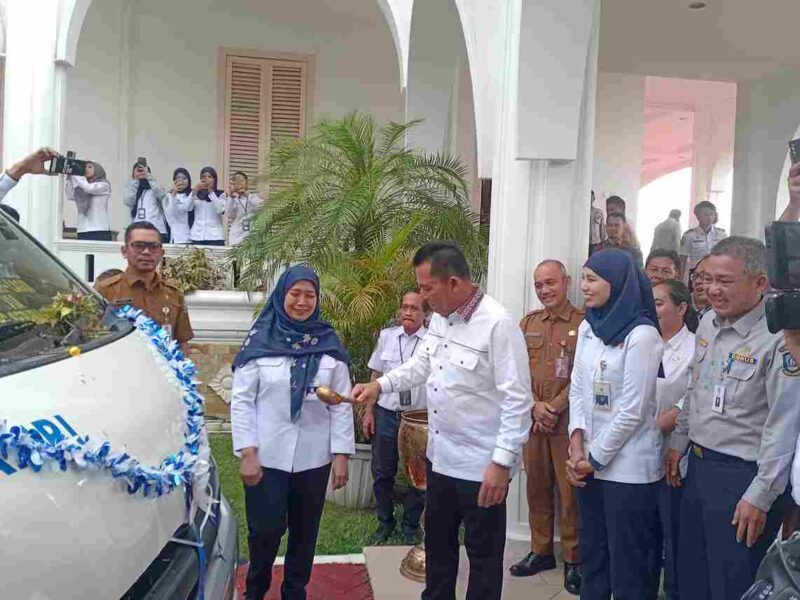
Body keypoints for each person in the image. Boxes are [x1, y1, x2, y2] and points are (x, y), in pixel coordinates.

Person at [353, 242, 533, 600]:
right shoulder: (439, 319)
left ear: (453, 283)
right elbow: (421, 366)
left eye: (426, 288)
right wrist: (379, 384)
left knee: (482, 556)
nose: (422, 297)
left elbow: (518, 400)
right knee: (438, 546)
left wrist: (501, 463)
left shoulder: (497, 325)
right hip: (441, 458)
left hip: (482, 466)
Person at [665, 236, 800, 600]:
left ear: (760, 283)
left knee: (733, 585)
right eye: (708, 279)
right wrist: (679, 442)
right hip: (700, 468)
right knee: (693, 578)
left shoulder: (780, 338)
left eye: (724, 281)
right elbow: (695, 387)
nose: (711, 290)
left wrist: (760, 494)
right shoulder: (709, 322)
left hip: (743, 479)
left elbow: (784, 424)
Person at [230, 265, 354, 600]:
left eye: (309, 295)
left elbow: (341, 403)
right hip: (267, 456)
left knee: (305, 532)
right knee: (265, 530)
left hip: (313, 457)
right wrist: (248, 452)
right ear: (281, 295)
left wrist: (341, 455)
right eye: (295, 294)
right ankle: (255, 588)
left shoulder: (328, 344)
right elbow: (241, 401)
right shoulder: (260, 341)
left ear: (317, 299)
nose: (302, 302)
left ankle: (294, 590)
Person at [566, 248, 664, 600]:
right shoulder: (588, 327)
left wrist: (591, 459)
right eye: (583, 279)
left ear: (617, 282)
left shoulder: (643, 335)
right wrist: (576, 441)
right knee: (593, 556)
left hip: (628, 469)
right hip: (587, 463)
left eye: (592, 280)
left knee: (629, 564)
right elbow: (577, 387)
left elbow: (633, 409)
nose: (584, 287)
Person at [510, 260, 583, 595]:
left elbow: (584, 374)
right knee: (536, 487)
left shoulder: (584, 324)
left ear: (566, 282)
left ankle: (573, 558)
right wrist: (535, 407)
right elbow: (515, 371)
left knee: (570, 495)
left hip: (568, 423)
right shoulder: (527, 323)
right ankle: (541, 552)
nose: (545, 290)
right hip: (534, 420)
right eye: (539, 285)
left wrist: (554, 406)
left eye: (551, 283)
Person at [362, 291, 428, 545]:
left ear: (425, 314)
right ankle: (385, 521)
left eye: (414, 308)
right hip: (386, 414)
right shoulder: (387, 337)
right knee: (382, 471)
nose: (408, 312)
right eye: (404, 307)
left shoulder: (432, 341)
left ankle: (411, 524)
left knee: (417, 474)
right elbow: (376, 375)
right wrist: (369, 411)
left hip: (417, 419)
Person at [652, 279, 697, 600]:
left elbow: (697, 393)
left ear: (681, 308)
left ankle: (674, 591)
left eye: (659, 303)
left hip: (674, 448)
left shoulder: (696, 346)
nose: (652, 309)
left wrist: (673, 416)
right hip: (635, 450)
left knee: (674, 530)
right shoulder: (642, 340)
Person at [96, 222, 194, 353]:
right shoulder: (105, 291)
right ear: (124, 251)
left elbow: (182, 343)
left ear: (161, 253)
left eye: (153, 247)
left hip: (161, 370)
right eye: (138, 246)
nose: (146, 252)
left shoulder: (173, 294)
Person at [679, 201, 727, 279]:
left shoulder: (721, 234)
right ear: (698, 216)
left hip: (716, 272)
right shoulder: (689, 235)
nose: (709, 217)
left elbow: (726, 256)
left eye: (712, 214)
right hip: (697, 274)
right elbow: (682, 259)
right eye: (706, 215)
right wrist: (680, 278)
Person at [65, 161, 112, 241]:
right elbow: (70, 195)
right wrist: (69, 179)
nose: (86, 169)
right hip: (82, 229)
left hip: (99, 229)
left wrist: (75, 174)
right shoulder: (81, 187)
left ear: (98, 170)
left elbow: (89, 188)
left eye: (90, 167)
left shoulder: (104, 185)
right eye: (85, 167)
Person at [123, 162, 168, 244]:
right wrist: (135, 181)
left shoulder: (154, 186)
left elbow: (161, 194)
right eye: (137, 170)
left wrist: (149, 177)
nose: (140, 172)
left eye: (142, 169)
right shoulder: (131, 187)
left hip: (156, 229)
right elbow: (128, 201)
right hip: (138, 230)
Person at [188, 166, 226, 246]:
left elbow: (220, 210)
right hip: (197, 236)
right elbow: (188, 208)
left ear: (214, 180)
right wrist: (195, 191)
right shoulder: (195, 194)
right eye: (203, 177)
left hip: (215, 236)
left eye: (210, 177)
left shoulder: (220, 194)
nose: (206, 179)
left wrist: (211, 192)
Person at [226, 171, 264, 246]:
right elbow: (229, 214)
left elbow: (261, 207)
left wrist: (247, 194)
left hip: (252, 237)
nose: (240, 184)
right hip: (236, 237)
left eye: (242, 181)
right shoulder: (233, 198)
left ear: (247, 183)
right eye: (237, 182)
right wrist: (230, 196)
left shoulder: (254, 196)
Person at [164, 168, 194, 244]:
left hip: (189, 238)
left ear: (189, 181)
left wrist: (194, 192)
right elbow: (171, 213)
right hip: (173, 238)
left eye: (184, 178)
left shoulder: (192, 195)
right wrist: (174, 195)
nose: (181, 181)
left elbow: (188, 208)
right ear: (174, 181)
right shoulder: (168, 195)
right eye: (178, 178)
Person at [589, 191, 607, 256]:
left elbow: (602, 229)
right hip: (584, 244)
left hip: (596, 243)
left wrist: (603, 243)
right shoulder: (581, 213)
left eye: (591, 197)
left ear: (593, 198)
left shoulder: (598, 212)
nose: (589, 198)